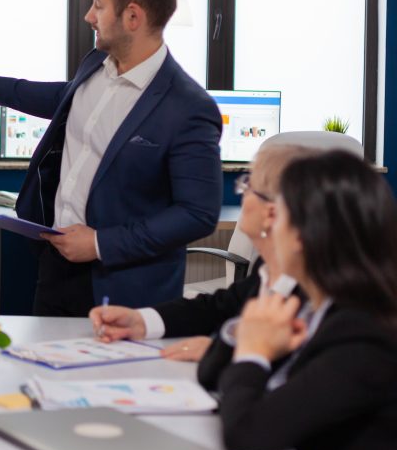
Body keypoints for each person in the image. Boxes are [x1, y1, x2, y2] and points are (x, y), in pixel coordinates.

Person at [0, 0, 222, 316]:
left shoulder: (188, 108)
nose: (89, 16)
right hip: (55, 267)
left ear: (133, 17)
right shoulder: (94, 63)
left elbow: (197, 214)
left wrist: (101, 243)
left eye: (99, 5)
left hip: (124, 285)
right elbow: (64, 99)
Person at [218, 150, 397, 450]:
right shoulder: (321, 308)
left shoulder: (364, 333)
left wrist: (252, 351)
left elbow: (248, 432)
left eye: (279, 215)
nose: (271, 224)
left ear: (301, 236)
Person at [88, 143, 314, 369]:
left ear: (271, 213)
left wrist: (220, 352)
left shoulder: (312, 296)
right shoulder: (266, 269)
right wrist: (140, 321)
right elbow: (216, 308)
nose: (242, 193)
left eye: (248, 185)